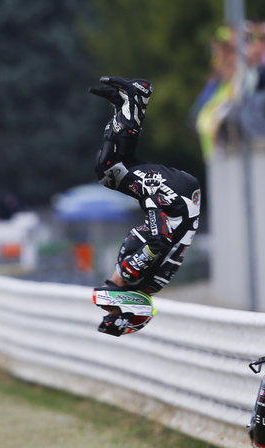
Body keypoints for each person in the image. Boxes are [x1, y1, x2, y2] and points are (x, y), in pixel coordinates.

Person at [89, 76, 202, 336]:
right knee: (110, 169)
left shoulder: (142, 282)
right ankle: (138, 96)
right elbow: (159, 241)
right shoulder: (135, 278)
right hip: (175, 201)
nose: (108, 308)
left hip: (176, 202)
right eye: (112, 313)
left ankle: (126, 106)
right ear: (129, 309)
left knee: (110, 169)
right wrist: (126, 272)